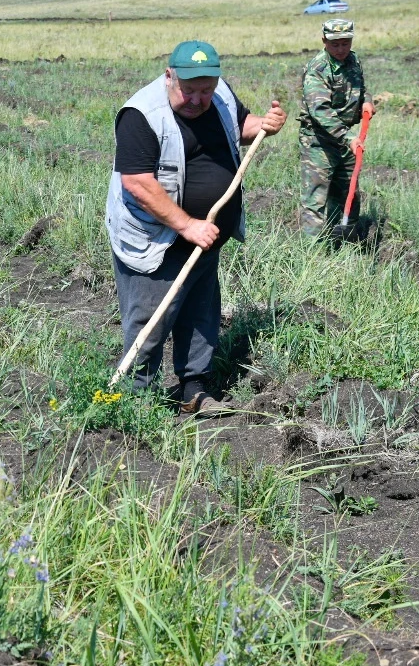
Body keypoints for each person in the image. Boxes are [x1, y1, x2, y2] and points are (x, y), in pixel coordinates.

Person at [105, 40, 286, 412]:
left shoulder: (217, 95)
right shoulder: (141, 115)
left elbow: (240, 126)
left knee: (201, 312)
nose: (199, 99)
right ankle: (134, 402)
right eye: (189, 91)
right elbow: (137, 183)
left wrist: (264, 126)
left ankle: (194, 390)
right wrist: (187, 225)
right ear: (169, 76)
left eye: (207, 90)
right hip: (155, 238)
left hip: (205, 234)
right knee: (150, 320)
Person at [299, 18, 373, 238]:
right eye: (335, 44)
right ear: (324, 41)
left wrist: (366, 101)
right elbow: (320, 110)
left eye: (345, 43)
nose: (341, 49)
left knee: (350, 192)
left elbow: (361, 87)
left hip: (346, 140)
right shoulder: (318, 69)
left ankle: (349, 240)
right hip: (319, 141)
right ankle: (313, 252)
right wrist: (347, 137)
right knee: (316, 198)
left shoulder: (353, 60)